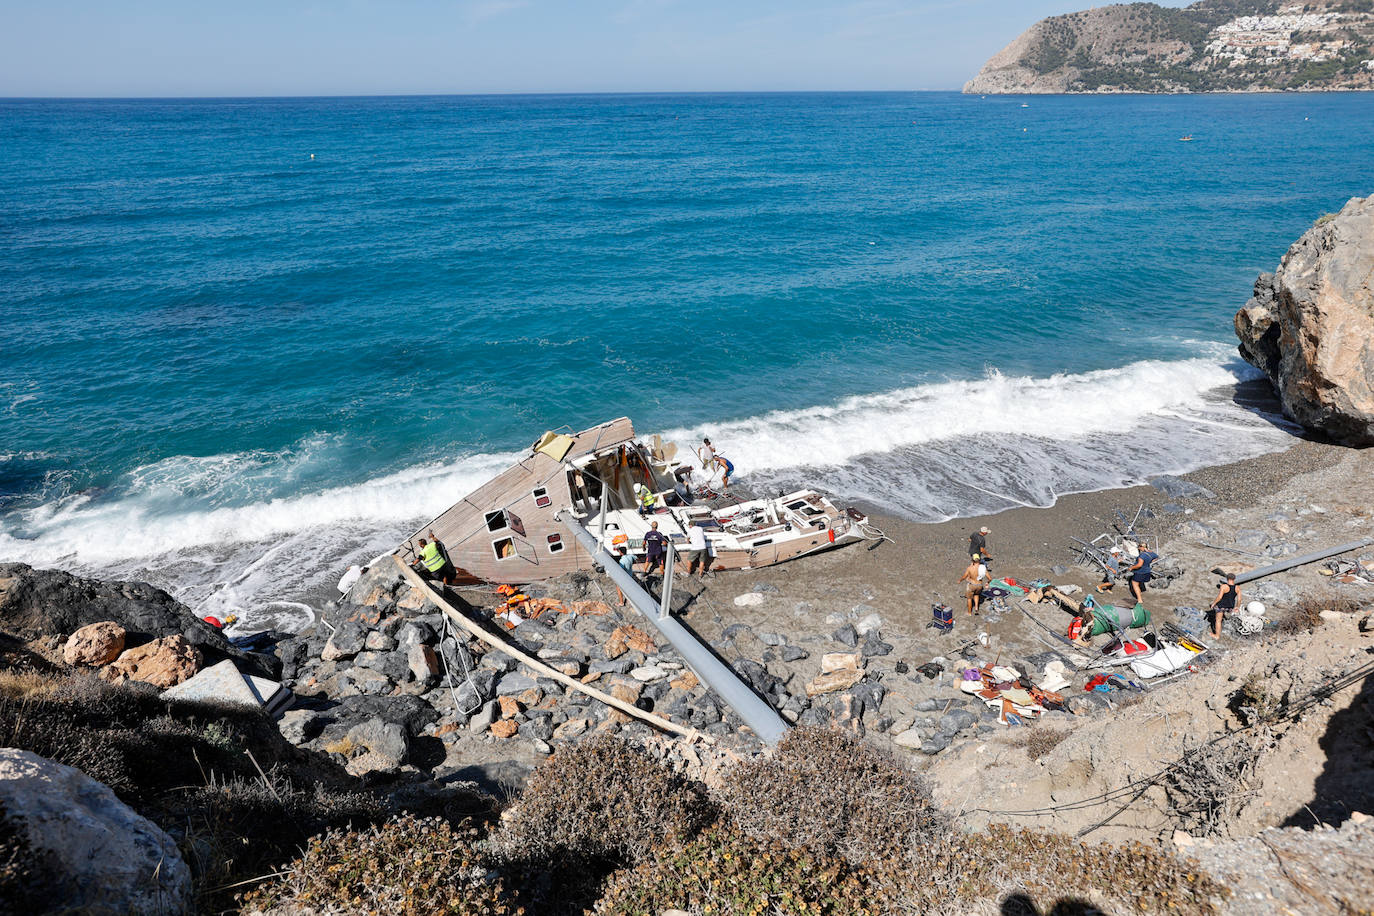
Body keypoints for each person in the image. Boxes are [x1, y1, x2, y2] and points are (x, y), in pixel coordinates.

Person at [1210, 573, 1240, 638]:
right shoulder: (1237, 588)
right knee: (1224, 617)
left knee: (1218, 620)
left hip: (1222, 606)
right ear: (1234, 579)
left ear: (1227, 579)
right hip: (1230, 606)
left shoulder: (1224, 586)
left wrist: (1213, 603)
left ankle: (1217, 635)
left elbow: (1219, 597)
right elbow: (1239, 599)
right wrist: (1237, 607)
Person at [612, 537, 635, 607]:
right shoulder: (631, 556)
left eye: (619, 551)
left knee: (618, 588)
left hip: (625, 577)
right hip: (630, 575)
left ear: (621, 552)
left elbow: (621, 571)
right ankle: (628, 599)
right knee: (629, 588)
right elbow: (636, 558)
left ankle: (621, 602)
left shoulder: (622, 561)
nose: (618, 552)